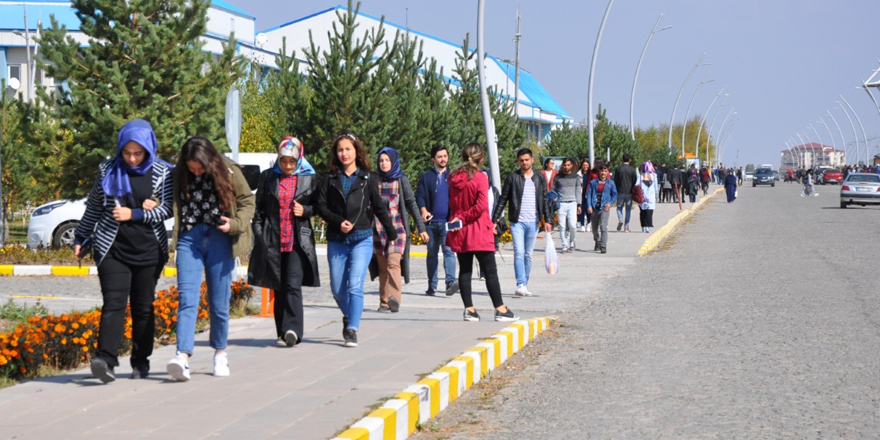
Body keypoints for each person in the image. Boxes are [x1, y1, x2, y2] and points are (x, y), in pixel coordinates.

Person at [74, 120, 172, 383]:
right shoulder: (107, 169)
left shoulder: (163, 171)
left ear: (148, 149)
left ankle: (141, 361)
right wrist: (81, 235)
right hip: (112, 247)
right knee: (113, 304)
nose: (132, 158)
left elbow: (168, 209)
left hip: (149, 250)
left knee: (143, 307)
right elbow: (95, 205)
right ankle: (105, 360)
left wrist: (136, 214)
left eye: (138, 153)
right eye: (127, 153)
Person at [167, 137, 255, 381]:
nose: (196, 172)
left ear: (210, 161)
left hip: (220, 239)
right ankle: (182, 357)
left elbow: (248, 200)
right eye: (191, 168)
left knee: (219, 302)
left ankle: (220, 353)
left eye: (200, 168)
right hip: (189, 240)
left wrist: (235, 224)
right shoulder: (178, 173)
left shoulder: (229, 170)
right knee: (187, 299)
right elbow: (164, 198)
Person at [317, 132, 397, 348]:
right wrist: (337, 222)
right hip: (337, 239)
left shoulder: (368, 177)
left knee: (354, 286)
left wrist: (391, 232)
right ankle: (349, 314)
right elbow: (321, 206)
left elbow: (379, 206)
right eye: (340, 149)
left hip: (361, 239)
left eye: (348, 149)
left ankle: (352, 328)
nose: (344, 153)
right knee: (337, 289)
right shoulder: (329, 178)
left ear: (356, 151)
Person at [248, 137, 319, 348]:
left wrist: (305, 210)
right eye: (284, 161)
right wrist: (260, 235)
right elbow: (259, 210)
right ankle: (282, 332)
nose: (288, 166)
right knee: (278, 287)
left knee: (292, 284)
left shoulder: (308, 177)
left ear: (299, 159)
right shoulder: (268, 176)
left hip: (297, 241)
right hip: (273, 240)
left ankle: (293, 330)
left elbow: (318, 206)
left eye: (292, 161)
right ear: (278, 159)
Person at [446, 143, 518, 322]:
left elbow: (452, 202)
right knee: (490, 270)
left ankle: (469, 310)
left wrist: (459, 217)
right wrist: (465, 217)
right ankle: (500, 309)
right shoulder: (480, 177)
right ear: (481, 159)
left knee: (465, 269)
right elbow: (481, 206)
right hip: (478, 228)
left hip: (460, 229)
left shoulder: (453, 177)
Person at [368, 147, 429, 313]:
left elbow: (411, 204)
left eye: (387, 160)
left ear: (393, 161)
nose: (384, 163)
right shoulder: (373, 180)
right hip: (377, 230)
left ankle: (394, 298)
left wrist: (421, 228)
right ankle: (384, 302)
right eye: (381, 160)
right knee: (382, 268)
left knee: (393, 263)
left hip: (397, 229)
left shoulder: (401, 180)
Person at [493, 148, 552, 297]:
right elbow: (503, 199)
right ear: (518, 161)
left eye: (527, 160)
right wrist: (494, 219)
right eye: (521, 160)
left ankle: (525, 284)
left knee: (528, 254)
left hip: (533, 222)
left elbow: (545, 199)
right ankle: (520, 284)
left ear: (532, 160)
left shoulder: (539, 178)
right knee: (519, 252)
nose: (524, 162)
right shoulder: (512, 178)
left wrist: (548, 219)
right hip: (517, 222)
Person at [416, 145, 457, 297]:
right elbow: (420, 196)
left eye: (445, 156)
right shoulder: (426, 177)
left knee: (449, 252)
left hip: (448, 222)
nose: (443, 159)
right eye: (439, 157)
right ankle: (432, 285)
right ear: (433, 159)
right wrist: (423, 210)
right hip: (431, 223)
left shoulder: (453, 176)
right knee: (432, 254)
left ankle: (450, 282)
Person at [586, 161, 617, 254]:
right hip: (595, 208)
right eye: (602, 171)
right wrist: (589, 206)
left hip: (604, 208)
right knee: (594, 228)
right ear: (599, 171)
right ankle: (597, 240)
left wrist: (610, 203)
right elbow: (589, 194)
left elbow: (614, 194)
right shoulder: (593, 182)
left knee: (603, 227)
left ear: (608, 172)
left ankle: (603, 246)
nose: (603, 173)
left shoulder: (610, 183)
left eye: (605, 171)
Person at [553, 157, 581, 253]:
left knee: (573, 225)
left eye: (568, 165)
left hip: (572, 203)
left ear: (571, 165)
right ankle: (564, 245)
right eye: (565, 165)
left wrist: (579, 205)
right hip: (561, 203)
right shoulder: (558, 177)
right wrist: (554, 197)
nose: (566, 167)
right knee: (562, 226)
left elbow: (578, 191)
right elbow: (554, 189)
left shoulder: (576, 177)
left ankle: (572, 241)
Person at [613, 154, 637, 232]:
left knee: (619, 207)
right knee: (628, 209)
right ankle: (626, 227)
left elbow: (615, 180)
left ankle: (620, 219)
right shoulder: (632, 169)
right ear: (629, 160)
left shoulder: (618, 169)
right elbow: (634, 180)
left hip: (620, 191)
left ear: (622, 159)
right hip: (629, 192)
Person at [637, 161, 659, 233]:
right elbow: (656, 188)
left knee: (643, 212)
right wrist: (657, 196)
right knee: (648, 212)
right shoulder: (654, 176)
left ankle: (644, 226)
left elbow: (636, 185)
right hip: (650, 197)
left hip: (643, 197)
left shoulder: (641, 176)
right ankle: (646, 226)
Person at [577, 158, 592, 232]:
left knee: (588, 209)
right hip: (581, 193)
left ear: (589, 165)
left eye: (586, 165)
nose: (585, 166)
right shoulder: (578, 174)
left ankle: (589, 223)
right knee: (581, 209)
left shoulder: (591, 174)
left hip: (589, 193)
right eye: (584, 165)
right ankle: (582, 224)